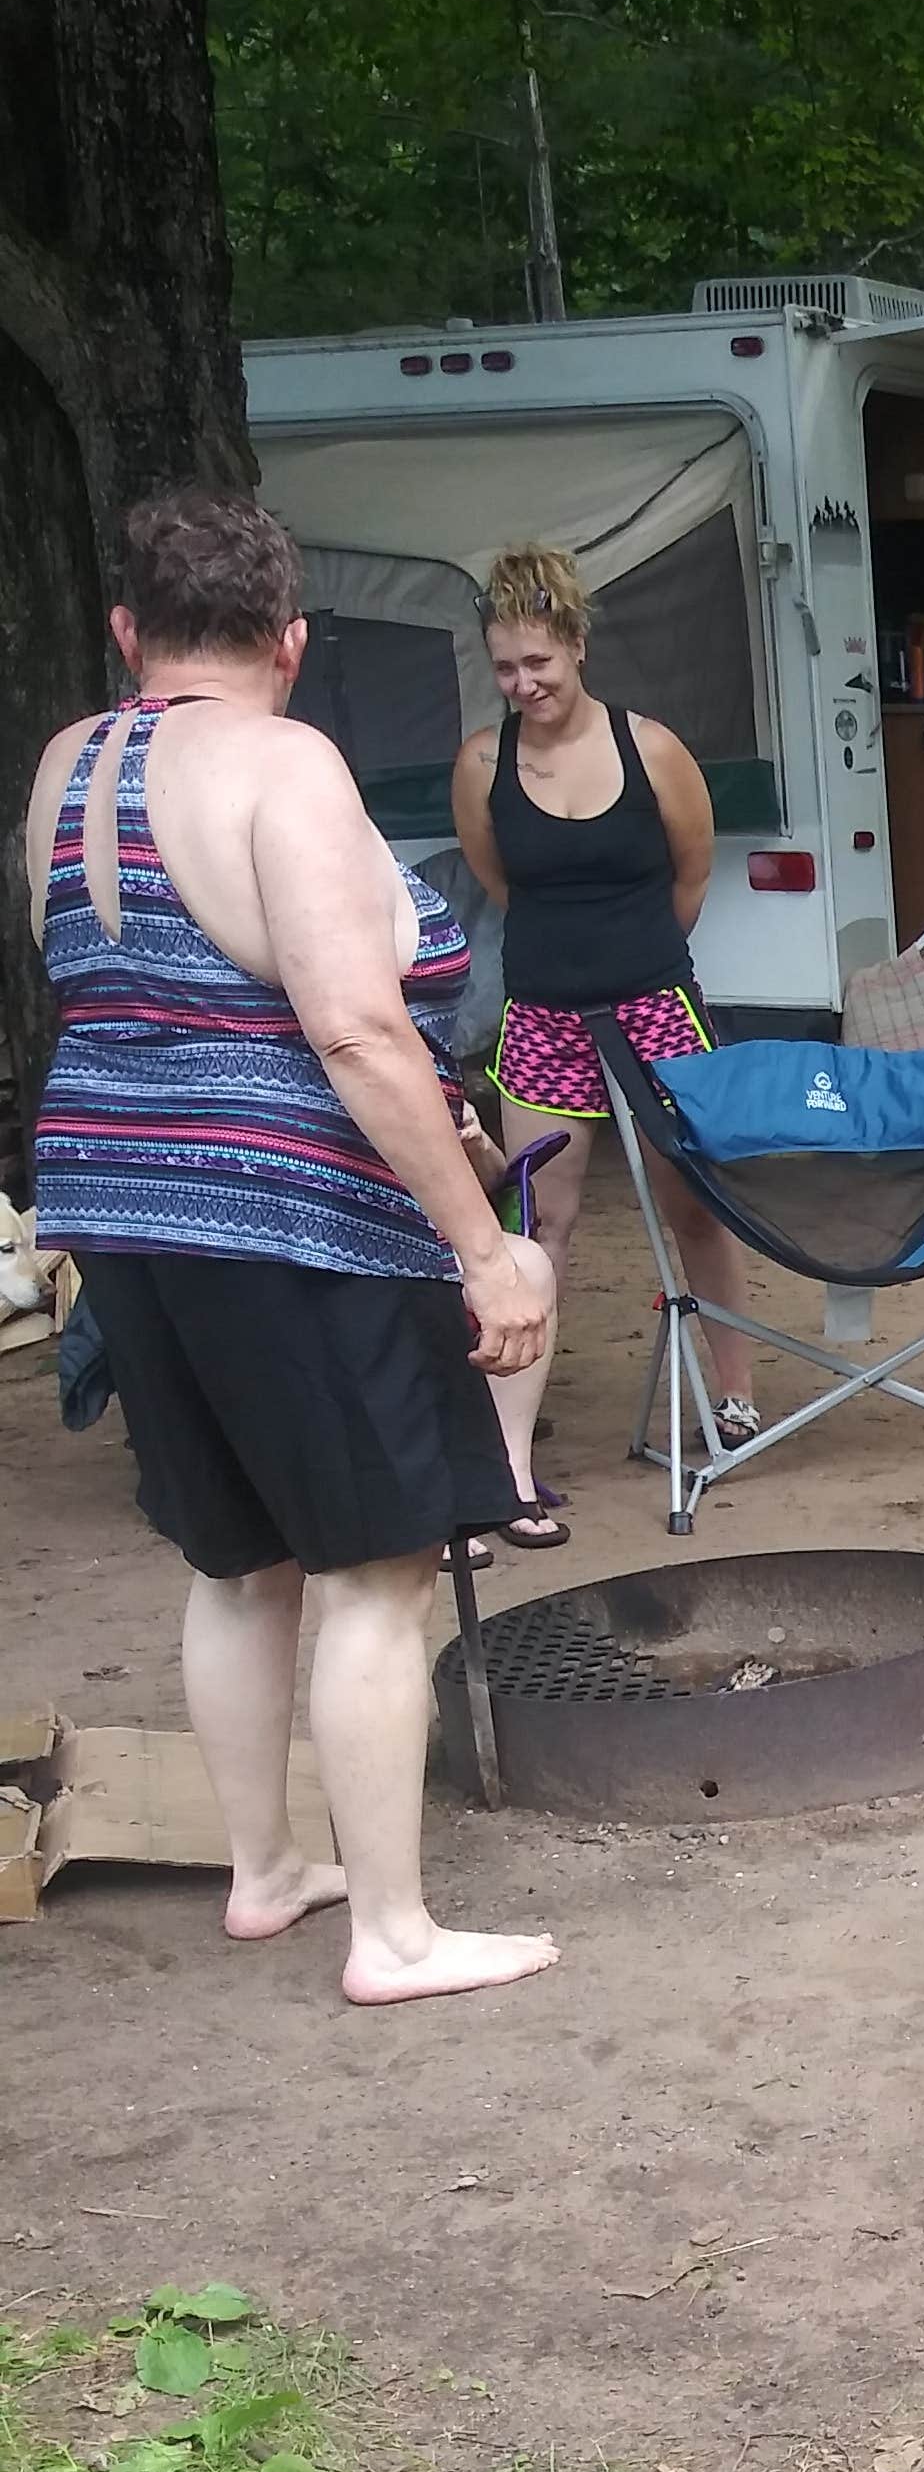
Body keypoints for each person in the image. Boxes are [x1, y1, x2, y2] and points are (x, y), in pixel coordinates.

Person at [24, 485, 559, 2003]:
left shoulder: (69, 764)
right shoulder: (285, 764)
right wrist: (484, 1246)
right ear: (294, 638)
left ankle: (266, 1870)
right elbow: (351, 1025)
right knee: (378, 1571)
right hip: (287, 1219)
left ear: (131, 632)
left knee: (236, 1559)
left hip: (115, 1201)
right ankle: (394, 1933)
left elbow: (111, 985)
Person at [449, 542, 751, 1541]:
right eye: (505, 667)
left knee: (690, 1202)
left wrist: (635, 956)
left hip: (655, 1004)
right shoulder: (482, 763)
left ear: (577, 645)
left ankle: (736, 1394)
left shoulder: (651, 749)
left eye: (539, 661)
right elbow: (500, 881)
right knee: (541, 1226)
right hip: (540, 1015)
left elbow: (692, 874)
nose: (523, 683)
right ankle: (511, 1462)